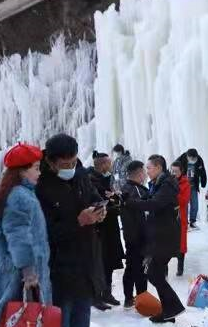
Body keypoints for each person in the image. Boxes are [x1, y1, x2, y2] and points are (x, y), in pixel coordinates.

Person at [36, 134, 106, 327]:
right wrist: (78, 222)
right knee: (61, 319)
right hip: (58, 271)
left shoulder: (81, 174)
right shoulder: (40, 185)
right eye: (65, 165)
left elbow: (94, 196)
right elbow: (44, 232)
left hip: (85, 266)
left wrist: (99, 209)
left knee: (82, 317)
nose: (70, 168)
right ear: (51, 162)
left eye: (73, 162)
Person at [124, 155, 184, 323]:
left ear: (158, 167)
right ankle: (170, 310)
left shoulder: (167, 185)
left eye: (149, 168)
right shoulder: (159, 183)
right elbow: (148, 200)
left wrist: (130, 203)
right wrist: (126, 199)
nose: (147, 171)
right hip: (160, 236)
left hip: (165, 237)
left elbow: (154, 204)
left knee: (154, 273)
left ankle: (173, 308)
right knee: (154, 273)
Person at [0, 143, 51, 314]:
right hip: (22, 276)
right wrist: (28, 271)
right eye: (36, 168)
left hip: (24, 273)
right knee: (24, 317)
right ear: (22, 171)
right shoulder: (19, 196)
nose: (39, 173)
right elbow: (17, 235)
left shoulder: (21, 193)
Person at [88, 151, 125, 307]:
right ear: (102, 165)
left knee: (109, 261)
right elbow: (98, 203)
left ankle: (107, 292)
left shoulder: (107, 179)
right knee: (99, 261)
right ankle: (96, 295)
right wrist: (111, 201)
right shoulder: (91, 180)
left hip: (111, 227)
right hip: (99, 228)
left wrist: (114, 199)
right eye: (109, 164)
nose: (111, 166)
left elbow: (114, 201)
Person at [120, 161, 149, 309]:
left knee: (131, 268)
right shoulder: (135, 191)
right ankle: (142, 299)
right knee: (140, 270)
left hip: (130, 236)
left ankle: (129, 298)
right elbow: (143, 214)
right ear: (138, 174)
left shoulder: (126, 189)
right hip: (138, 237)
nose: (146, 174)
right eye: (144, 171)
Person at [177, 149, 206, 229]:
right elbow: (174, 171)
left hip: (193, 185)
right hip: (182, 186)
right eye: (191, 159)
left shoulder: (199, 160)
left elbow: (203, 171)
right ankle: (184, 223)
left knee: (195, 204)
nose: (193, 160)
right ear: (187, 156)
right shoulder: (180, 160)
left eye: (194, 159)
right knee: (184, 205)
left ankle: (193, 222)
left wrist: (203, 182)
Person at [170, 161, 191, 277]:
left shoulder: (185, 183)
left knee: (181, 244)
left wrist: (173, 192)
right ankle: (165, 269)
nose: (173, 173)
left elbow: (184, 200)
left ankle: (180, 267)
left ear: (181, 171)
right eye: (172, 171)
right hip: (168, 217)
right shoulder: (166, 182)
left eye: (176, 171)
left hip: (180, 217)